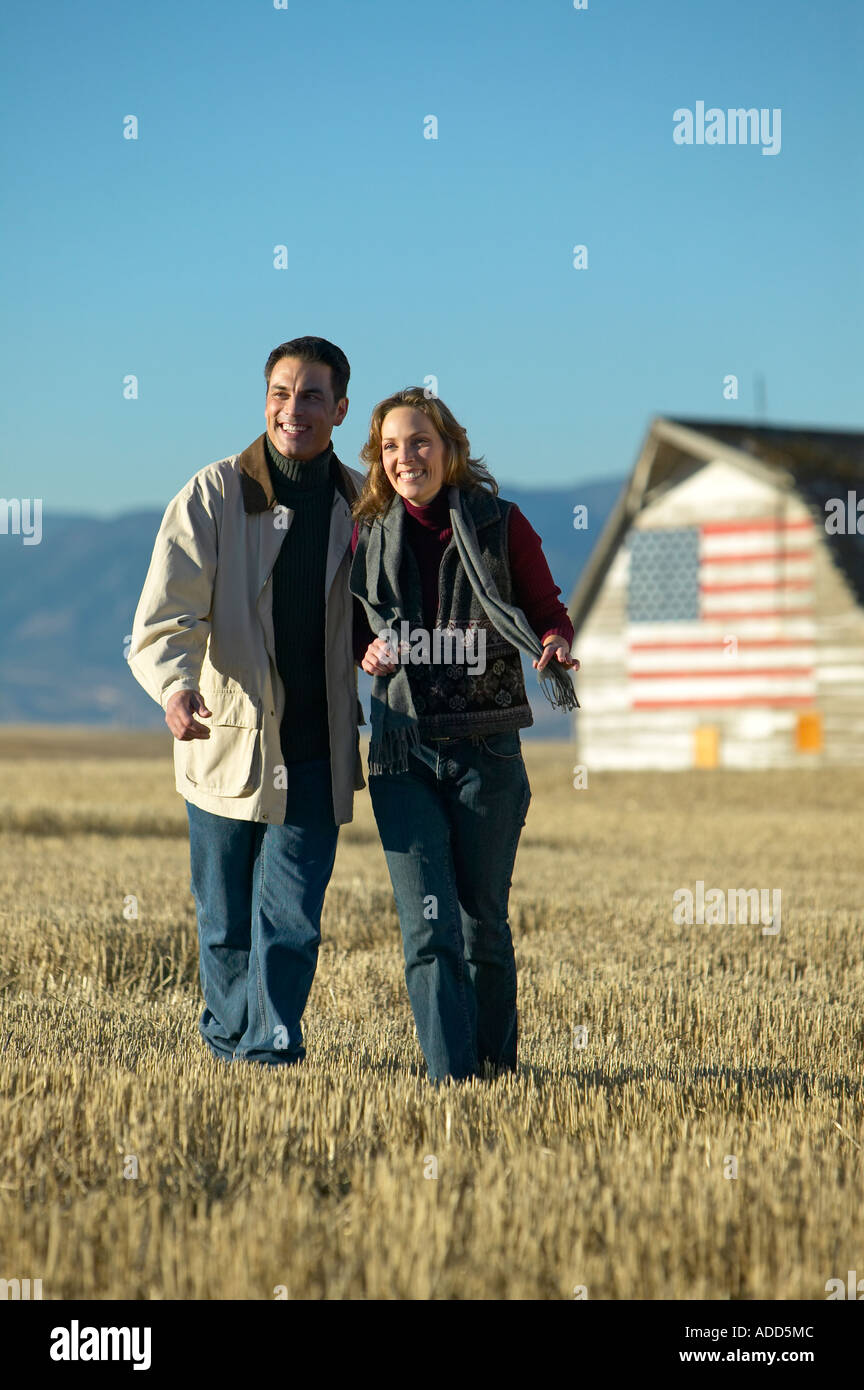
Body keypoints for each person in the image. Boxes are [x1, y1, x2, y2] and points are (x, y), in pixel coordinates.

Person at [127, 336, 365, 1067]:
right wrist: (175, 688)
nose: (295, 409)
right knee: (224, 918)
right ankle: (229, 1045)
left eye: (313, 395)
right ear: (266, 401)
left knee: (291, 919)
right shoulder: (213, 493)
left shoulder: (362, 503)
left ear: (341, 409)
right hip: (224, 739)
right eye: (282, 393)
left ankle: (271, 1049)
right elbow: (165, 617)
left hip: (317, 747)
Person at [349, 387, 579, 1083]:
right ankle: (452, 1081)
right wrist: (365, 648)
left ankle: (497, 1073)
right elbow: (352, 620)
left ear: (450, 449)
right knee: (427, 928)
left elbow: (546, 610)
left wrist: (555, 644)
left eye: (419, 442)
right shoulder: (366, 532)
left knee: (483, 924)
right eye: (390, 446)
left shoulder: (500, 525)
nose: (404, 457)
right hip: (402, 746)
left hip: (489, 748)